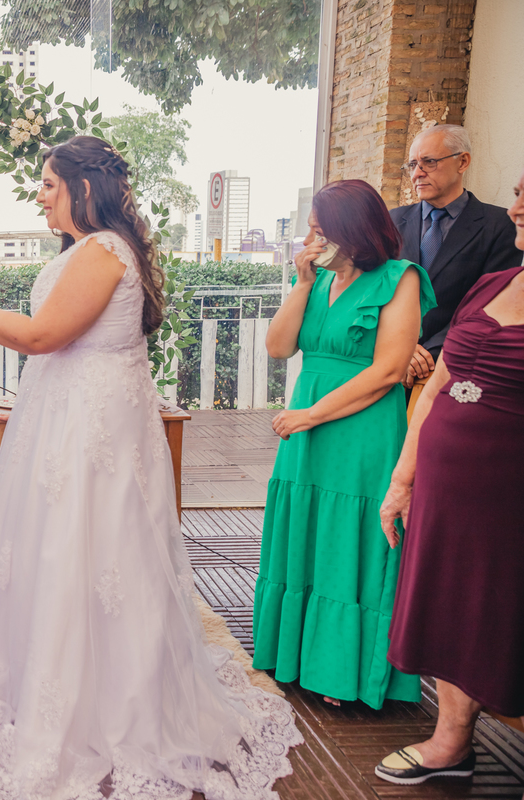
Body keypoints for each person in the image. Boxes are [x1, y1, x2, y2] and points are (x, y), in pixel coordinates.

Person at [0, 136, 302, 800]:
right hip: (69, 417)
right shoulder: (86, 251)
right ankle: (46, 681)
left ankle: (100, 709)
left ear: (80, 188)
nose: (39, 195)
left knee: (94, 554)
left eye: (46, 184)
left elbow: (42, 337)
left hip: (94, 431)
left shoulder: (103, 252)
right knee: (62, 555)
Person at [253, 179, 435, 709]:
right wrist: (302, 282)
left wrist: (309, 414)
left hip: (359, 431)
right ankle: (294, 656)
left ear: (352, 230)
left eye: (319, 228)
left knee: (348, 541)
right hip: (307, 429)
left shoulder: (400, 280)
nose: (312, 238)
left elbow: (388, 371)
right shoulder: (316, 280)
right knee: (306, 530)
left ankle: (342, 671)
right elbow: (280, 346)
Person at [374, 168, 524, 786]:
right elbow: (437, 383)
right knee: (448, 604)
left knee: (495, 610)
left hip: (507, 492)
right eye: (519, 193)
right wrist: (403, 477)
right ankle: (451, 743)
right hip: (444, 484)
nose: (517, 208)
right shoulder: (498, 279)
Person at [391, 124, 517, 387]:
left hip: (453, 369)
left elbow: (488, 304)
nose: (417, 174)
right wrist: (401, 346)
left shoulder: (499, 225)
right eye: (412, 164)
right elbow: (373, 292)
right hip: (387, 363)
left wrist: (429, 353)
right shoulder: (392, 221)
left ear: (462, 162)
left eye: (429, 162)